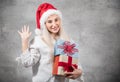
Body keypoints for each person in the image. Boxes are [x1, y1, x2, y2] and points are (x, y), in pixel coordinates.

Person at [16, 3, 84, 82]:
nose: (54, 24)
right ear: (44, 24)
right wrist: (24, 42)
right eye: (49, 21)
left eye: (56, 20)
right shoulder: (38, 41)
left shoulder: (67, 41)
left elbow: (75, 63)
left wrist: (79, 72)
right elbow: (27, 63)